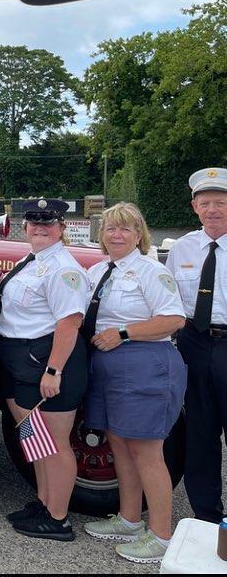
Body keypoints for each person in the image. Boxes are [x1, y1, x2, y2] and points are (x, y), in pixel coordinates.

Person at [80, 202, 186, 563]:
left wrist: (124, 333)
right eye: (110, 228)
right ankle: (129, 519)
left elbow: (173, 319)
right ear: (102, 235)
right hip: (107, 364)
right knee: (119, 444)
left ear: (139, 235)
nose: (117, 234)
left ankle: (161, 536)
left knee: (146, 450)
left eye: (125, 228)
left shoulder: (150, 271)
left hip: (144, 362)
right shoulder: (97, 271)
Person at [0, 198, 89, 541]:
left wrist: (54, 371)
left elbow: (69, 323)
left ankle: (58, 519)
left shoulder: (63, 268)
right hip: (22, 359)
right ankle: (43, 501)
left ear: (62, 228)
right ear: (25, 226)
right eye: (33, 221)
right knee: (34, 439)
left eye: (48, 222)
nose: (39, 226)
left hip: (47, 362)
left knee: (54, 443)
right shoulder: (30, 260)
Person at [165, 167, 227, 524]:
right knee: (200, 433)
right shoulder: (184, 248)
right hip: (195, 343)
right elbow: (170, 299)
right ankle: (207, 517)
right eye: (206, 203)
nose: (213, 209)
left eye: (220, 202)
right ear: (194, 207)